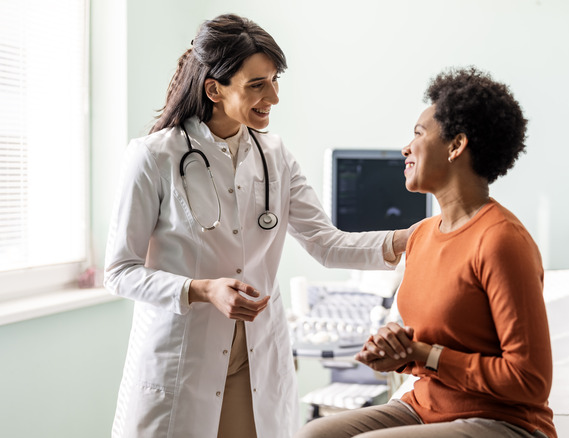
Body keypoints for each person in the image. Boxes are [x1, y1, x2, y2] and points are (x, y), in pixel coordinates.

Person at [104, 14, 414, 438]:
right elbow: (119, 272)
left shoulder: (275, 155)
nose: (274, 96)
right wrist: (201, 289)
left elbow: (327, 244)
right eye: (257, 85)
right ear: (214, 89)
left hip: (256, 360)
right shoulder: (153, 157)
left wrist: (416, 240)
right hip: (183, 360)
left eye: (274, 80)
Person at [295, 67, 557, 438]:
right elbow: (430, 342)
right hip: (426, 407)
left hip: (501, 420)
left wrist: (423, 355)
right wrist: (397, 349)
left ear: (456, 146)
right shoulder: (421, 236)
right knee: (312, 435)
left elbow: (530, 380)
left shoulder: (501, 240)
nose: (406, 147)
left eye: (418, 134)